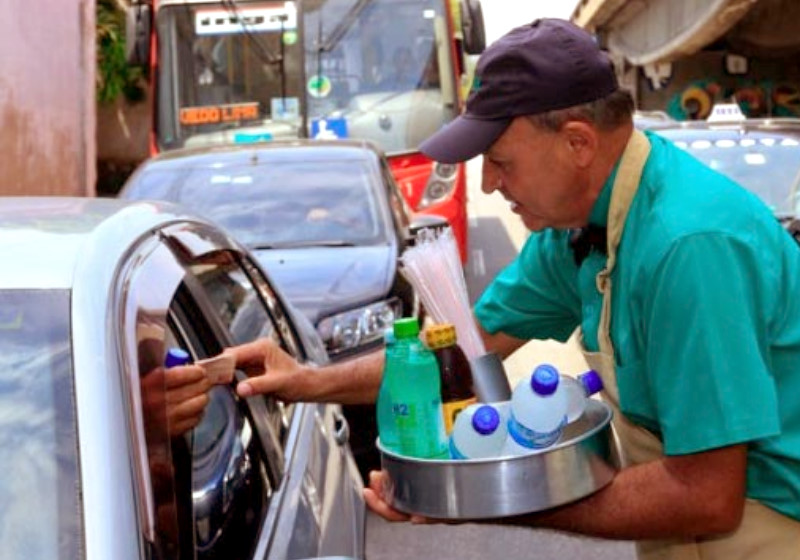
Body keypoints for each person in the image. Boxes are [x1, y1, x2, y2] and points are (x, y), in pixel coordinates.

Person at [227, 19, 800, 559]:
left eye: (500, 162)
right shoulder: (578, 228)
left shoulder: (688, 245)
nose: (488, 185)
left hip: (769, 527)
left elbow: (705, 495)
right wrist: (305, 380)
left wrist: (486, 502)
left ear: (577, 143)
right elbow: (459, 345)